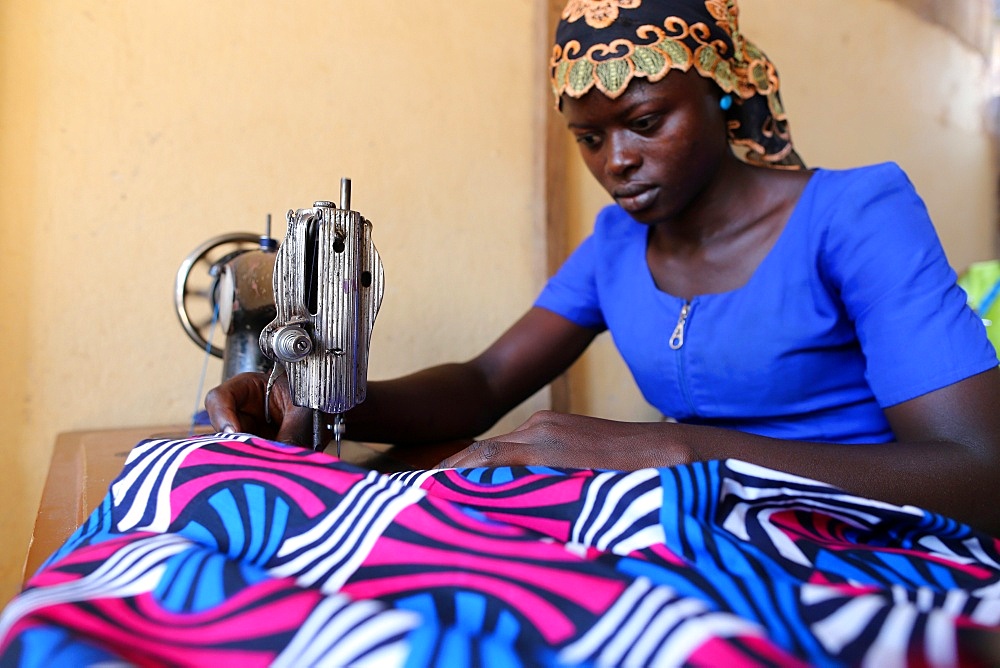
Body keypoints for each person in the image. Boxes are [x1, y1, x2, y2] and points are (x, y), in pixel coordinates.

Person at [206, 0, 1000, 535]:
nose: (617, 161)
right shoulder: (618, 246)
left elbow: (978, 473)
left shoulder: (855, 217)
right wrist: (322, 392)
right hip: (710, 525)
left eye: (645, 122)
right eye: (589, 138)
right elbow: (484, 385)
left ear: (722, 92)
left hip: (867, 539)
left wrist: (682, 448)